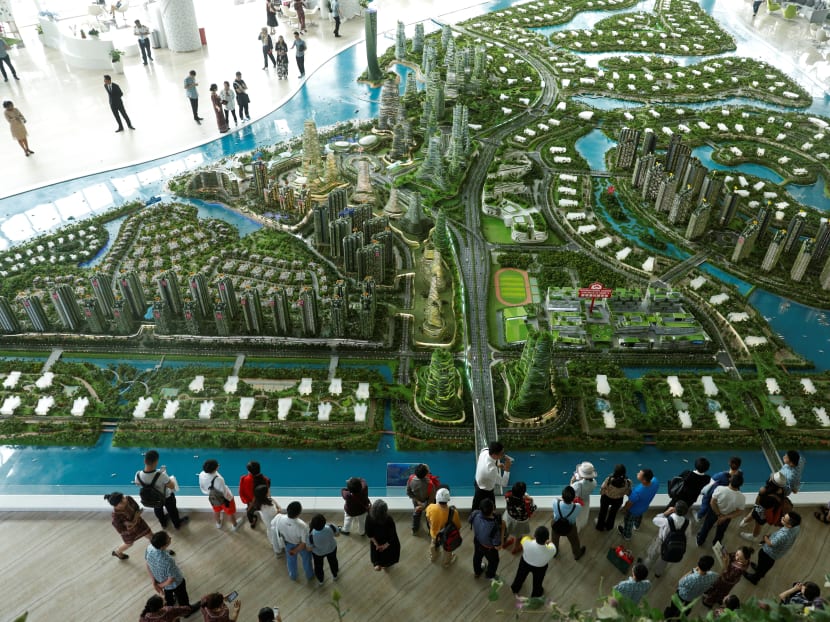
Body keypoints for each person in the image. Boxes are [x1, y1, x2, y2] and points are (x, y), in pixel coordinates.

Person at [145, 531, 200, 613]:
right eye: (168, 539)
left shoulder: (149, 548)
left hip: (159, 579)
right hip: (175, 583)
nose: (170, 538)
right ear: (163, 546)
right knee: (182, 596)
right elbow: (171, 579)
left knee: (168, 595)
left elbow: (147, 564)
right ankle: (186, 611)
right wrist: (160, 585)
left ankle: (169, 606)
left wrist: (155, 583)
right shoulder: (168, 560)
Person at [135, 450, 189, 530]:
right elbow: (171, 486)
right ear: (156, 462)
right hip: (166, 497)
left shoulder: (138, 474)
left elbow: (138, 484)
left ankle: (163, 523)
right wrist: (165, 477)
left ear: (144, 460)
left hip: (152, 498)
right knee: (172, 511)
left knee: (157, 509)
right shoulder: (161, 475)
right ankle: (177, 524)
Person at [744, 511, 802, 584]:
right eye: (784, 516)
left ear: (789, 526)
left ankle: (755, 578)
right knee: (766, 565)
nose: (782, 518)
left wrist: (765, 537)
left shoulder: (783, 535)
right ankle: (761, 571)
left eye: (784, 519)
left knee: (762, 560)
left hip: (769, 553)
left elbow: (771, 544)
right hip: (777, 553)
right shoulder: (796, 527)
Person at [695, 472, 745, 547]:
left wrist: (719, 515)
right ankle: (716, 544)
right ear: (740, 485)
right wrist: (725, 517)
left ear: (730, 480)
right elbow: (740, 511)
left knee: (706, 527)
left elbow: (712, 503)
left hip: (714, 512)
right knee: (721, 531)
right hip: (727, 516)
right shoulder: (742, 497)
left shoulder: (720, 489)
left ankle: (700, 541)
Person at [739, 472, 791, 541]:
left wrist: (760, 494)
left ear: (771, 481)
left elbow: (757, 503)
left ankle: (754, 536)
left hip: (762, 513)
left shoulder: (765, 491)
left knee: (757, 524)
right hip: (767, 512)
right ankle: (745, 522)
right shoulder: (781, 491)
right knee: (753, 515)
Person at [663, 556, 718, 620]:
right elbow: (717, 577)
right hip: (693, 597)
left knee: (674, 606)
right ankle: (682, 618)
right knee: (687, 608)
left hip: (682, 594)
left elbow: (680, 583)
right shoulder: (713, 576)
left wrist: (691, 571)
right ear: (709, 568)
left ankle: (670, 615)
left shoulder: (691, 578)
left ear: (698, 563)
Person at [510, 525, 556, 598]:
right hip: (540, 567)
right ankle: (536, 594)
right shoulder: (552, 550)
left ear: (535, 535)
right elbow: (551, 544)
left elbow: (527, 538)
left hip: (525, 562)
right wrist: (548, 542)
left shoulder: (526, 542)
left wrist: (533, 538)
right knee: (537, 582)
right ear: (547, 538)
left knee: (520, 576)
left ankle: (515, 588)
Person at [646, 500, 689, 578]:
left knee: (652, 555)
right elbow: (687, 536)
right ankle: (658, 573)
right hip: (671, 547)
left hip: (660, 542)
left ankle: (646, 568)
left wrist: (666, 512)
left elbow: (654, 520)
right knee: (664, 560)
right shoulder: (687, 523)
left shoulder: (667, 521)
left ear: (674, 509)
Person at [272, 500, 314, 581]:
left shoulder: (279, 518)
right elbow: (303, 543)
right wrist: (295, 550)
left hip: (288, 543)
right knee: (306, 560)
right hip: (299, 545)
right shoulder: (302, 526)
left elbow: (272, 525)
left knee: (291, 561)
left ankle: (293, 575)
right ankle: (309, 575)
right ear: (299, 513)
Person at [198, 459, 243, 531]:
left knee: (216, 511)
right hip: (225, 500)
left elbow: (202, 488)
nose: (218, 465)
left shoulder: (201, 474)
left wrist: (209, 493)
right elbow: (224, 493)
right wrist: (229, 499)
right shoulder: (219, 479)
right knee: (230, 512)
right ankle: (235, 525)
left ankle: (218, 523)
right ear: (216, 467)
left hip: (213, 498)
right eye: (217, 465)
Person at [105, 491, 152, 559]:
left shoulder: (129, 499)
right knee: (129, 544)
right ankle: (117, 552)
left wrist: (135, 518)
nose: (124, 500)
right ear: (116, 506)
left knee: (151, 536)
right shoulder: (116, 516)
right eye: (121, 501)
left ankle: (162, 550)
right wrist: (129, 525)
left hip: (140, 524)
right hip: (129, 533)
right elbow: (120, 530)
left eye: (123, 497)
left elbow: (137, 508)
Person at [618, 468, 658, 540]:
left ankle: (627, 535)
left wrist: (623, 509)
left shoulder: (638, 492)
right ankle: (637, 526)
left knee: (628, 522)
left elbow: (629, 503)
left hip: (633, 510)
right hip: (644, 507)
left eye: (639, 474)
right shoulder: (655, 481)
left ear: (644, 480)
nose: (637, 473)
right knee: (639, 516)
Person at [697, 456, 742, 521]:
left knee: (706, 502)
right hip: (723, 500)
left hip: (714, 496)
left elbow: (712, 479)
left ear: (730, 464)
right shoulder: (739, 476)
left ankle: (699, 517)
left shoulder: (722, 475)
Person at [472, 440, 512, 513]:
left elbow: (488, 462)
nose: (503, 455)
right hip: (485, 492)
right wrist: (507, 469)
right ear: (494, 455)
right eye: (501, 453)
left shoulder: (484, 451)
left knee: (475, 508)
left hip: (477, 482)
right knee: (490, 511)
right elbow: (504, 483)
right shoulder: (491, 470)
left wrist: (496, 465)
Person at [426, 487, 461, 567]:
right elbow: (458, 526)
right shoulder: (454, 512)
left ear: (437, 497)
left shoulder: (430, 507)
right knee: (448, 550)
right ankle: (446, 563)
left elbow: (428, 519)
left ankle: (433, 557)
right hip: (446, 536)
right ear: (448, 499)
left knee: (433, 544)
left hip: (434, 534)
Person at [470, 497, 505, 579]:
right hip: (489, 548)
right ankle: (490, 575)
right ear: (493, 510)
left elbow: (470, 520)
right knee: (494, 561)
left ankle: (477, 572)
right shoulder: (494, 527)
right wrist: (502, 529)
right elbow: (498, 547)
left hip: (477, 541)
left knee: (477, 557)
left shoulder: (475, 513)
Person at [551, 486, 586, 561]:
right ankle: (577, 554)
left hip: (556, 525)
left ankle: (554, 552)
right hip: (570, 528)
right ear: (573, 498)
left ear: (562, 497)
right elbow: (580, 504)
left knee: (554, 540)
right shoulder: (577, 507)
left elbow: (557, 499)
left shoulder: (555, 503)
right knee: (575, 541)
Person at [365, 499, 400, 571]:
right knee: (389, 556)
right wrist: (384, 546)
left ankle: (377, 564)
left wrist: (377, 544)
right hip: (388, 542)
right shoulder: (388, 519)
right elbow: (392, 535)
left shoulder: (369, 517)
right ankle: (385, 566)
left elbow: (369, 534)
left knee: (377, 553)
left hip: (376, 540)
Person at [596, 464, 631, 532]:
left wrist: (602, 493)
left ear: (615, 471)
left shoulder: (609, 479)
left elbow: (602, 488)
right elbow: (628, 492)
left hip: (606, 498)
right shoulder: (628, 482)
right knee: (613, 514)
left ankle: (600, 526)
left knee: (602, 512)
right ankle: (609, 526)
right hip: (618, 500)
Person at [504, 481, 536, 554]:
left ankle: (504, 542)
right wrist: (531, 500)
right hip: (520, 521)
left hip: (509, 516)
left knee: (507, 529)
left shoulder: (507, 495)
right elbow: (532, 510)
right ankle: (516, 548)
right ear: (523, 493)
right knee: (518, 535)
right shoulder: (525, 503)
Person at [406, 463, 438, 535]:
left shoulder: (411, 479)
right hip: (427, 502)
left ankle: (415, 530)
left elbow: (408, 492)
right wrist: (423, 506)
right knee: (429, 516)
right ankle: (431, 531)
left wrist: (418, 502)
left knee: (416, 514)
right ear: (426, 474)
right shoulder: (430, 484)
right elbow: (431, 501)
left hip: (416, 501)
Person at [308, 513, 340, 585]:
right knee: (333, 561)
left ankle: (321, 580)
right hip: (331, 549)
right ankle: (335, 575)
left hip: (318, 553)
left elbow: (309, 548)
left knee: (318, 566)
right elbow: (337, 535)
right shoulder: (331, 526)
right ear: (325, 521)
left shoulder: (311, 535)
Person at [239, 460, 270, 528]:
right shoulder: (266, 480)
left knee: (250, 512)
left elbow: (242, 493)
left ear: (249, 471)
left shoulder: (244, 479)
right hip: (262, 502)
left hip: (250, 503)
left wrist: (247, 501)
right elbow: (267, 492)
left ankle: (252, 522)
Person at [570, 461, 597, 532]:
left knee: (577, 515)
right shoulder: (594, 482)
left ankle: (577, 527)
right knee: (584, 513)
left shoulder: (578, 484)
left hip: (578, 500)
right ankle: (582, 524)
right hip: (586, 499)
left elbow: (571, 490)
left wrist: (572, 481)